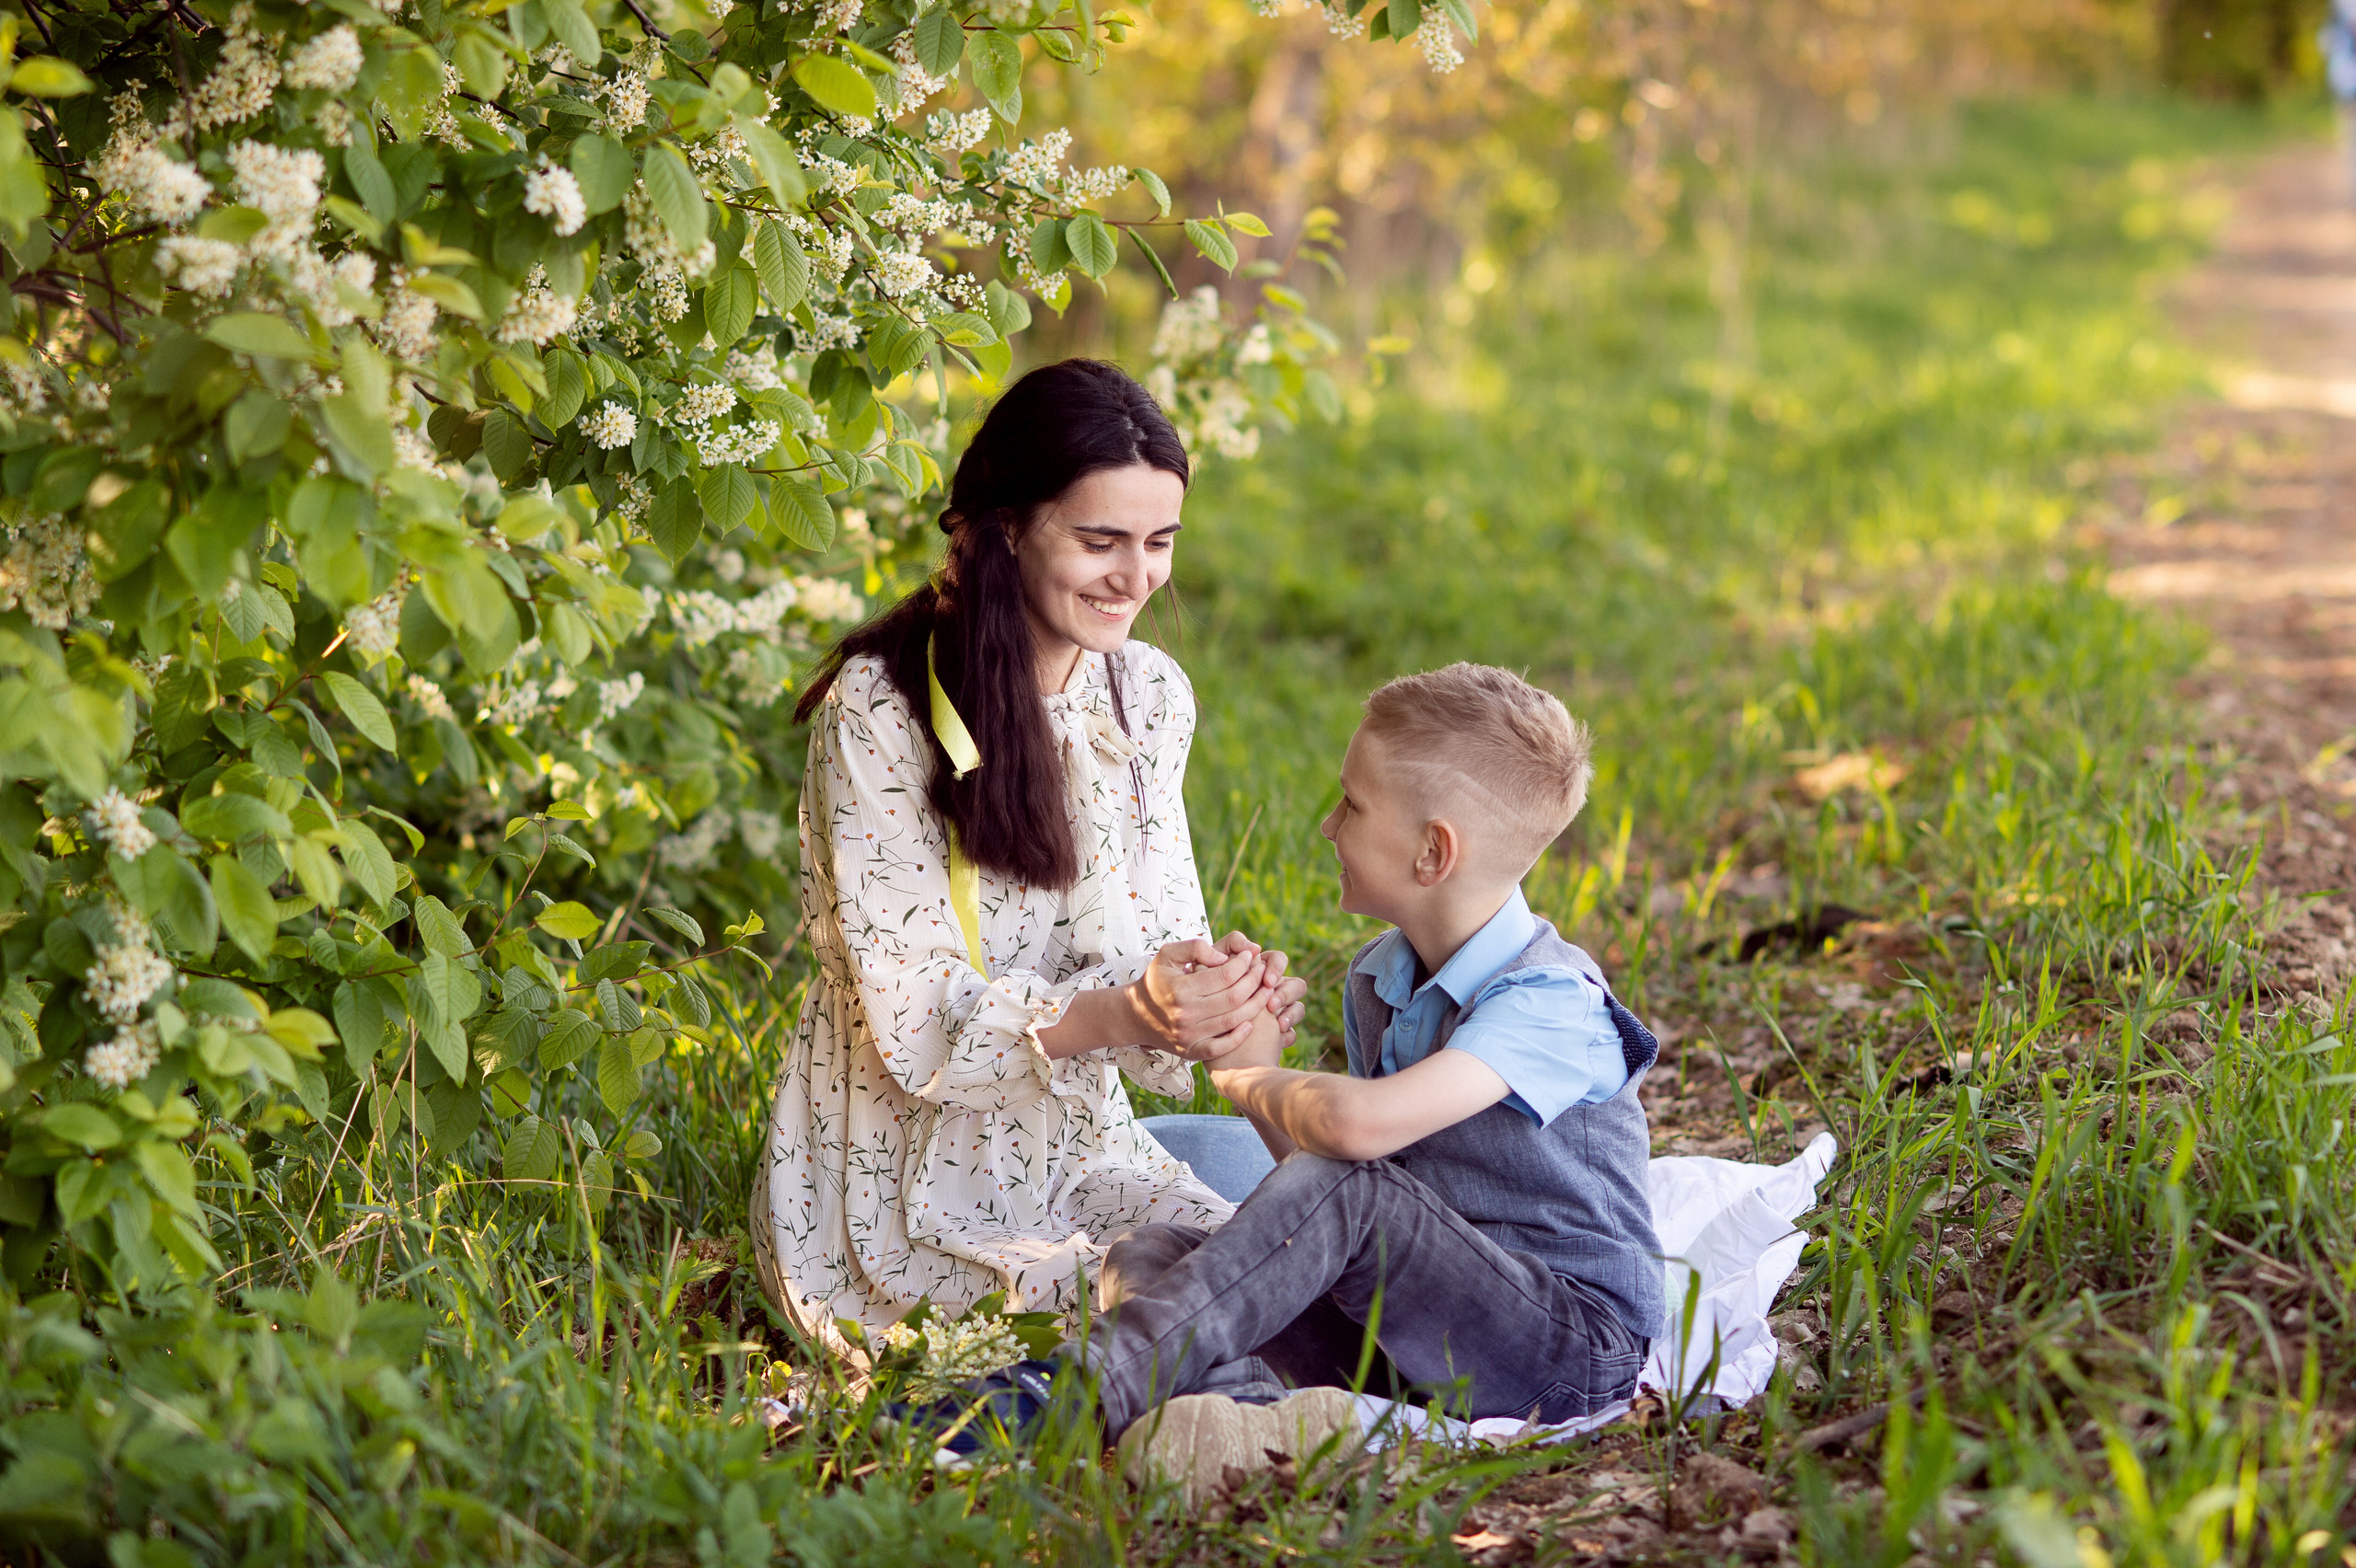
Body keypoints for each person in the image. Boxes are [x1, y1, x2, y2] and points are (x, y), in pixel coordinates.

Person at [886, 664, 1664, 1492]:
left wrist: (1250, 1074)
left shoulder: (1552, 999)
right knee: (1151, 1250)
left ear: (1433, 851)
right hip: (1419, 1332)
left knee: (1347, 1184)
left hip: (1565, 1348)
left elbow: (1355, 1142)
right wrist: (1242, 1059)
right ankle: (1244, 1425)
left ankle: (1069, 1392)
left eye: (1353, 805)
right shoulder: (1383, 978)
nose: (1329, 825)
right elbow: (1333, 1193)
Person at [753, 361, 1307, 1353]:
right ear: (1007, 526)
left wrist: (1215, 1000)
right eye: (1100, 541)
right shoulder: (885, 711)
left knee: (1278, 1282)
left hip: (1080, 1144)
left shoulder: (1148, 693)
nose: (1134, 577)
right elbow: (911, 1018)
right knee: (1166, 1316)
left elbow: (1155, 933)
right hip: (901, 1183)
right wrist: (1124, 1012)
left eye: (1158, 542)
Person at [2327, 0, 2356, 205]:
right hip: (2348, 83)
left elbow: (2329, 40)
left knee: (2351, 139)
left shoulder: (2339, 6)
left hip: (2347, 82)